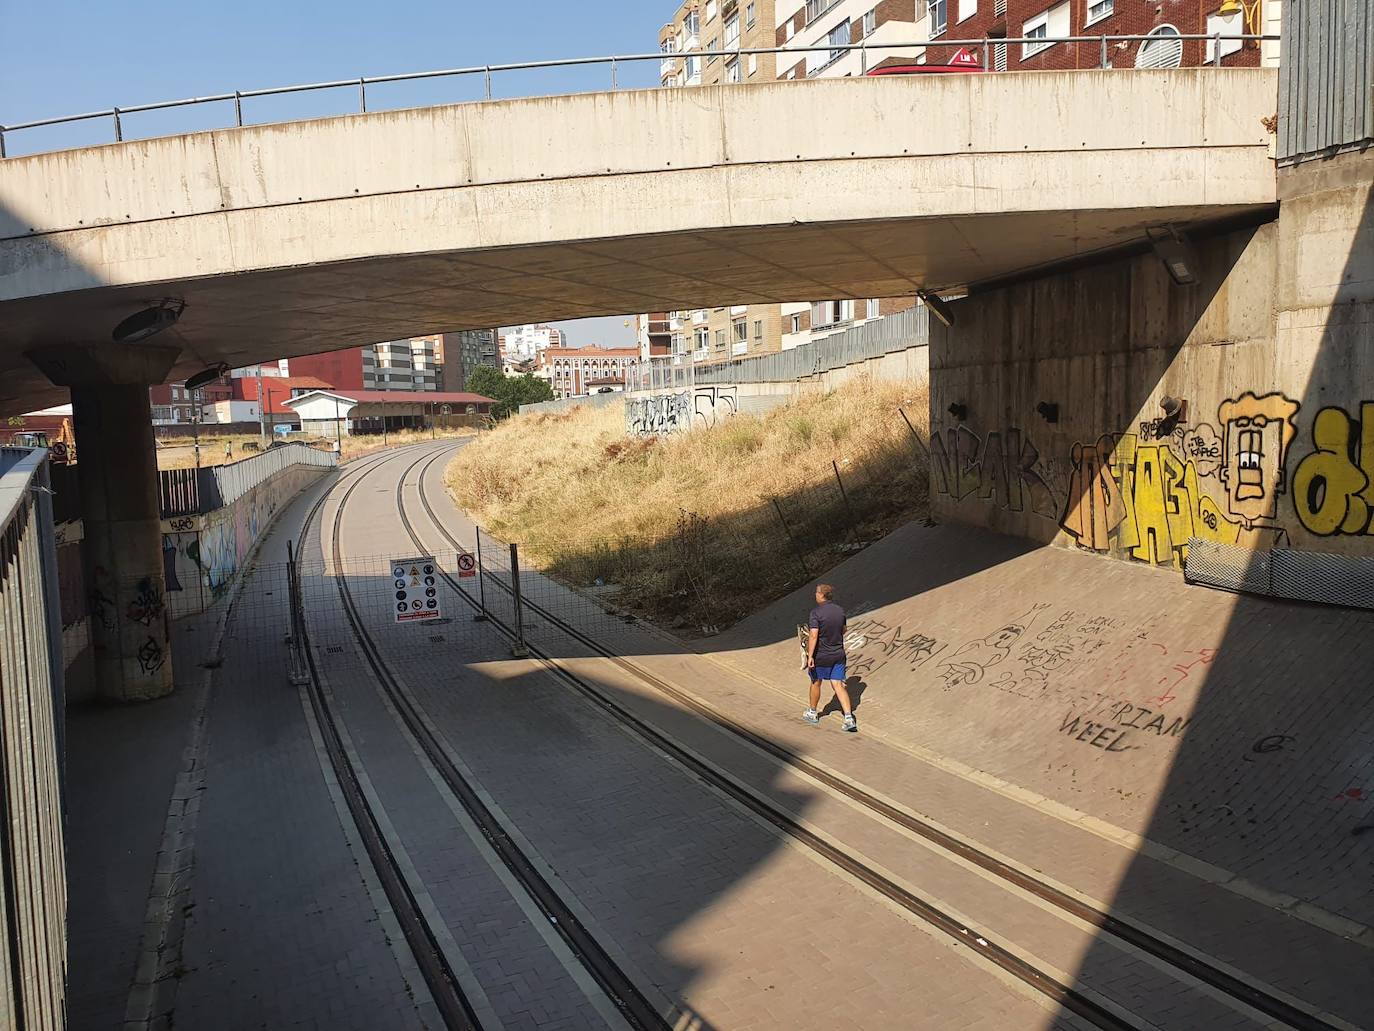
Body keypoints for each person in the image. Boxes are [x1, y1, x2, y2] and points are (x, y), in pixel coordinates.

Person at [803, 583, 856, 732]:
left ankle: (813, 713)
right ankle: (848, 718)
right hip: (838, 654)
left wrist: (810, 655)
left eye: (816, 592)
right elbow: (844, 630)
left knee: (816, 682)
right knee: (838, 684)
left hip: (821, 655)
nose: (815, 595)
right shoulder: (840, 610)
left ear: (821, 595)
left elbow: (813, 635)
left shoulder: (816, 613)